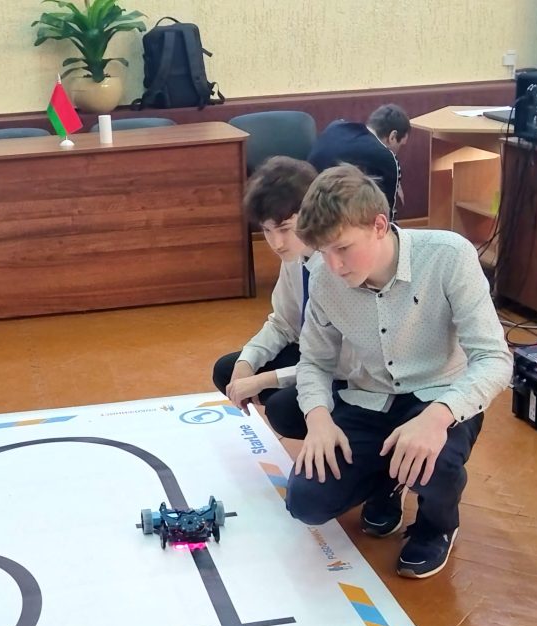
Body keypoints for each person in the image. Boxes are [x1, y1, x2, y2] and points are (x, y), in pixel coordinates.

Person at [286, 164, 511, 579]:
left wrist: (438, 417)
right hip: (369, 399)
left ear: (379, 225)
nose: (333, 266)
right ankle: (389, 480)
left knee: (435, 462)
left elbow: (495, 359)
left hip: (441, 396)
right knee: (306, 502)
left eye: (343, 248)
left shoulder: (448, 255)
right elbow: (314, 361)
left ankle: (437, 526)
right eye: (323, 252)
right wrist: (318, 420)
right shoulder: (322, 277)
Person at [212, 156, 350, 440]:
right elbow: (282, 324)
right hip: (312, 352)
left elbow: (341, 361)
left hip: (347, 370)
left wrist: (267, 379)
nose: (276, 243)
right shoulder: (295, 257)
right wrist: (247, 362)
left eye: (285, 229)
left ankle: (346, 435)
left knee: (282, 408)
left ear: (311, 215)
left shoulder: (339, 266)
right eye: (267, 230)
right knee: (228, 370)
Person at [307, 103, 411, 220]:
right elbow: (386, 217)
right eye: (400, 145)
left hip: (308, 208)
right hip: (335, 219)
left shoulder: (336, 126)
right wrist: (393, 170)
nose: (397, 151)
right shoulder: (386, 157)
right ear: (393, 136)